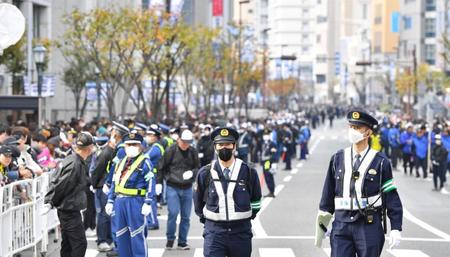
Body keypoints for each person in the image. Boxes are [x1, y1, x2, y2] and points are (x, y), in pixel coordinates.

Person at [315, 109, 403, 257]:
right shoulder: (338, 158)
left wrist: (396, 227)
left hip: (368, 225)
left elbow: (391, 195)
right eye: (351, 127)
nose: (352, 131)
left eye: (357, 128)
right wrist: (322, 221)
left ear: (368, 133)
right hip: (341, 224)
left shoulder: (380, 162)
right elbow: (328, 192)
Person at [193, 127, 262, 257]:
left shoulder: (248, 172)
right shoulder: (205, 173)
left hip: (241, 233)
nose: (224, 148)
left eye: (228, 144)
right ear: (215, 147)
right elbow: (198, 204)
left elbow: (256, 201)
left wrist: (244, 219)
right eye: (220, 145)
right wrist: (210, 222)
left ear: (234, 147)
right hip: (214, 234)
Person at [43, 132, 95, 257]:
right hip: (69, 209)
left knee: (68, 244)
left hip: (68, 208)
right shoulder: (75, 164)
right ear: (89, 148)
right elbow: (61, 185)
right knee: (79, 243)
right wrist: (50, 202)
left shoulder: (72, 160)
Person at [105, 132, 155, 257]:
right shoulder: (120, 162)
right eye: (128, 144)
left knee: (137, 235)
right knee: (121, 235)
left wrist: (148, 202)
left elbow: (151, 183)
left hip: (136, 202)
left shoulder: (145, 162)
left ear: (140, 146)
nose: (131, 147)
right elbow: (114, 183)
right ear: (124, 146)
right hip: (120, 202)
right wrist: (110, 200)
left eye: (134, 144)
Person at [157, 129, 199, 250]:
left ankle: (182, 242)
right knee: (173, 213)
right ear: (178, 139)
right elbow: (161, 167)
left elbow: (197, 167)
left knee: (186, 216)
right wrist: (159, 183)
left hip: (187, 187)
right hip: (172, 186)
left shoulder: (192, 151)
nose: (186, 144)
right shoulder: (171, 150)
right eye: (184, 141)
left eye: (188, 142)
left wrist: (192, 173)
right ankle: (170, 239)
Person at [90, 136, 115, 252]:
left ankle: (108, 240)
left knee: (107, 214)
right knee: (104, 214)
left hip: (104, 185)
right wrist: (94, 185)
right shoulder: (106, 153)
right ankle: (102, 240)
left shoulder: (108, 152)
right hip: (102, 186)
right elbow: (97, 171)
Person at [144, 124, 165, 230]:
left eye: (149, 135)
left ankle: (152, 222)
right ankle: (151, 221)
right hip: (154, 175)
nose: (147, 136)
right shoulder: (153, 146)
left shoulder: (156, 147)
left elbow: (145, 157)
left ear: (155, 136)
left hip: (154, 176)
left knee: (150, 200)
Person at [261, 129, 278, 197]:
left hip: (268, 162)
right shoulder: (263, 143)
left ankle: (272, 191)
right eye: (264, 135)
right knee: (266, 176)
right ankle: (271, 191)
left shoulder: (272, 143)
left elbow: (274, 154)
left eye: (267, 135)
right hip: (264, 161)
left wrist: (274, 163)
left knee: (268, 176)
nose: (265, 136)